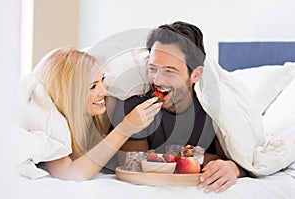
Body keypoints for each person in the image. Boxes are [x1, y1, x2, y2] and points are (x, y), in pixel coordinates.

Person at [111, 21, 247, 193]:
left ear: (195, 75)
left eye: (169, 71)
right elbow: (137, 169)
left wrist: (232, 167)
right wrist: (197, 158)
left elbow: (245, 160)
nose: (157, 80)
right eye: (153, 68)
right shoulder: (134, 109)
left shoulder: (215, 111)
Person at [18, 47, 162, 181]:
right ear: (70, 94)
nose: (103, 91)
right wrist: (126, 128)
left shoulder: (103, 105)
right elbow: (71, 174)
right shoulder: (48, 117)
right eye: (92, 86)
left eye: (103, 80)